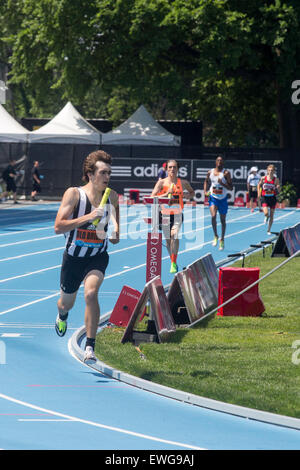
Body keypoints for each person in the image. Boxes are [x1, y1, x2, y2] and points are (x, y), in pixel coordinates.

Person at [54, 150, 120, 364]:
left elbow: (116, 219)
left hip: (97, 256)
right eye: (102, 172)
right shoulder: (74, 194)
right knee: (66, 304)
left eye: (109, 172)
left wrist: (117, 231)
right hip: (74, 257)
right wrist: (88, 217)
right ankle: (62, 316)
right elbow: (58, 227)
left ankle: (90, 347)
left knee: (91, 294)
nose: (107, 177)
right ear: (90, 175)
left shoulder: (111, 195)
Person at [151, 159, 195, 274]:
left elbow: (192, 193)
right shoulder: (161, 183)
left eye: (174, 167)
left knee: (174, 235)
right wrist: (166, 194)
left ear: (178, 169)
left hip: (177, 214)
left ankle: (173, 263)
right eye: (170, 167)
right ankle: (172, 261)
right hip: (164, 214)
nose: (172, 169)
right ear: (166, 169)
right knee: (168, 241)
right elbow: (152, 197)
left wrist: (187, 195)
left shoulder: (183, 183)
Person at [203, 155, 233, 250]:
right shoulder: (210, 172)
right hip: (213, 198)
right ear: (215, 162)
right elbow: (206, 181)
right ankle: (215, 235)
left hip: (223, 199)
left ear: (223, 163)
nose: (219, 162)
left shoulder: (226, 173)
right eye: (218, 160)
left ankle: (222, 239)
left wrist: (222, 183)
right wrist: (205, 191)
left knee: (223, 220)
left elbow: (231, 188)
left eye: (221, 160)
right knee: (213, 216)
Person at [257, 164, 280, 235]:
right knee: (266, 213)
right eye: (269, 170)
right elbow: (259, 185)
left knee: (272, 215)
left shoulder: (276, 180)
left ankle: (269, 230)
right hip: (265, 198)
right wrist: (259, 193)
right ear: (267, 171)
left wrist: (278, 188)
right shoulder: (263, 178)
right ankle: (266, 217)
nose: (270, 172)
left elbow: (278, 191)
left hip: (272, 198)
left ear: (274, 171)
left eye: (272, 170)